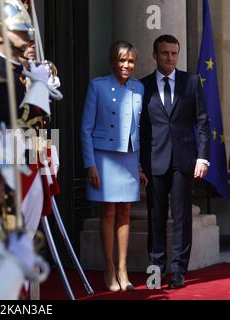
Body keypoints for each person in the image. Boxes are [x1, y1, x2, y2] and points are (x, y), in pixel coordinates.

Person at [140, 34, 211, 289]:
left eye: (173, 53)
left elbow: (203, 122)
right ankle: (156, 272)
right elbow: (137, 128)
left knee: (182, 218)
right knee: (155, 218)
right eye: (164, 53)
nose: (170, 58)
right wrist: (137, 163)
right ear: (155, 55)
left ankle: (178, 272)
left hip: (184, 160)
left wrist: (203, 157)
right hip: (153, 160)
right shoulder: (142, 86)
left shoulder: (191, 82)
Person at [81, 41, 146, 292]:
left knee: (126, 211)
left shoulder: (138, 88)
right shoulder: (97, 86)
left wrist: (139, 167)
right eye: (122, 60)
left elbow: (138, 130)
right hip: (103, 158)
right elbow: (85, 128)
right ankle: (109, 267)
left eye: (130, 61)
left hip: (129, 157)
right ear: (113, 61)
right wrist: (90, 165)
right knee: (108, 211)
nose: (126, 65)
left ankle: (123, 268)